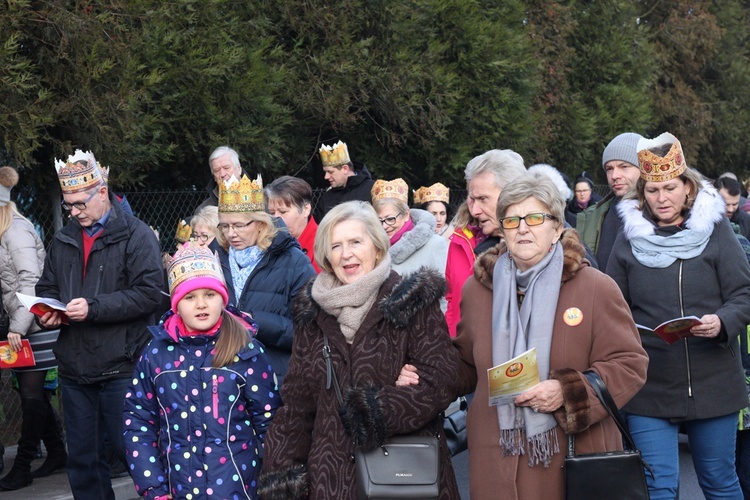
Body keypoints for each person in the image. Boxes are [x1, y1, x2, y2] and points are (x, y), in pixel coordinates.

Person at [437, 172, 649, 499]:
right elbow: (466, 365)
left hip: (573, 457)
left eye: (535, 218)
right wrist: (425, 371)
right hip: (497, 453)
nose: (523, 228)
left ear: (557, 228)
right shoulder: (477, 289)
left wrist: (568, 391)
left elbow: (630, 364)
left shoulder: (594, 287)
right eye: (512, 219)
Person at [257, 200, 461, 499]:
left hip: (404, 476)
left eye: (355, 242)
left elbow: (442, 381)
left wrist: (377, 410)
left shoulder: (411, 300)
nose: (346, 254)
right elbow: (297, 405)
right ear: (326, 254)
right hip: (331, 477)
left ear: (377, 247)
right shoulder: (311, 313)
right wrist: (281, 474)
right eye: (336, 245)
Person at [607, 132, 750, 499]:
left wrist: (722, 322)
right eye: (652, 191)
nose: (661, 198)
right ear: (643, 193)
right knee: (658, 487)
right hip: (649, 384)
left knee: (720, 482)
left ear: (687, 188)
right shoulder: (628, 237)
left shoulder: (716, 231)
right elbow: (611, 305)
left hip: (713, 381)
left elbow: (743, 293)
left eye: (669, 188)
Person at [35, 150, 164, 500]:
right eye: (68, 206)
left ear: (103, 192)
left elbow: (152, 294)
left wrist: (93, 307)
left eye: (80, 204)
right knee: (83, 463)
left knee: (136, 456)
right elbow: (47, 286)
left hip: (122, 366)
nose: (74, 213)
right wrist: (47, 310)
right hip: (74, 367)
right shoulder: (63, 239)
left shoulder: (137, 235)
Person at [123, 242, 280, 499]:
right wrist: (154, 486)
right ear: (176, 303)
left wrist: (273, 483)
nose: (201, 304)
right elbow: (139, 422)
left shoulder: (245, 350)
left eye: (210, 294)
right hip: (178, 488)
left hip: (237, 488)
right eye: (189, 297)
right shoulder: (156, 354)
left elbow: (270, 423)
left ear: (222, 297)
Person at [214, 174, 316, 384]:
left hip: (273, 379)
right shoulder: (213, 257)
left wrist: (256, 321)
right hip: (220, 378)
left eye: (239, 225)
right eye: (225, 226)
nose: (231, 233)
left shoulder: (293, 261)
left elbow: (310, 333)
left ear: (260, 223)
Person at [0, 167, 66, 490]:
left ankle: (23, 465)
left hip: (34, 326)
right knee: (34, 393)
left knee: (31, 394)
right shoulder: (5, 233)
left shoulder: (16, 232)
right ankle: (56, 453)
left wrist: (17, 325)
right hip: (24, 325)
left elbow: (30, 281)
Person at [577, 132, 643, 271]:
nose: (614, 176)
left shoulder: (663, 214)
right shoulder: (592, 216)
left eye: (624, 166)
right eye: (609, 169)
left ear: (644, 169)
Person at [371, 178, 448, 279]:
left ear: (406, 215)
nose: (384, 226)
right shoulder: (372, 245)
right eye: (379, 220)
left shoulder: (435, 244)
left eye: (390, 219)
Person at [466, 149, 527, 255]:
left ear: (512, 195)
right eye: (473, 199)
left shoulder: (561, 249)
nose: (474, 212)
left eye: (482, 199)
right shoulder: (485, 256)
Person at [264, 175, 320, 272]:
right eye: (272, 213)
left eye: (283, 212)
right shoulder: (266, 243)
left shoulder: (324, 243)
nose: (276, 218)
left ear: (306, 209)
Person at [444, 202, 483, 337]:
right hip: (460, 337)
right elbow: (450, 296)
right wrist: (449, 335)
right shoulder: (457, 242)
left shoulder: (507, 240)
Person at [312, 141, 376, 223]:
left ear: (345, 169)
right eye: (325, 172)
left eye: (330, 172)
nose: (326, 177)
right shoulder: (327, 197)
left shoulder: (373, 190)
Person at [194, 146, 246, 214]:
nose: (222, 174)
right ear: (214, 177)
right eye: (217, 170)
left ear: (239, 168)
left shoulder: (260, 200)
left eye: (226, 167)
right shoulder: (204, 211)